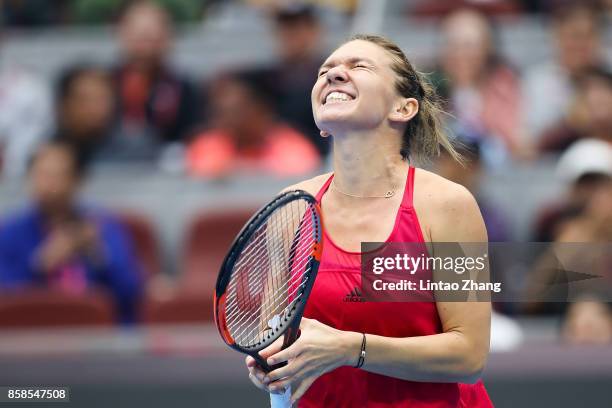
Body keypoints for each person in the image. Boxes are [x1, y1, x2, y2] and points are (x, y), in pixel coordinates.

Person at [245, 35, 492, 406]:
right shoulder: (289, 208)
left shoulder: (447, 205)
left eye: (358, 66)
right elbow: (276, 344)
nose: (333, 75)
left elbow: (470, 355)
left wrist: (350, 349)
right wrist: (270, 367)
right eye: (324, 71)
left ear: (403, 108)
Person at [0, 141, 143, 323]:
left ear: (77, 180)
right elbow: (5, 296)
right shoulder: (10, 232)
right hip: (31, 335)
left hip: (96, 335)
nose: (49, 184)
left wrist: (98, 253)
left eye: (59, 175)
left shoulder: (102, 226)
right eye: (42, 174)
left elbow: (131, 292)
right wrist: (41, 263)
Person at [109, 0, 201, 161]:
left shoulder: (186, 90)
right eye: (140, 33)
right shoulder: (102, 86)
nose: (148, 40)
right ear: (121, 32)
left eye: (155, 31)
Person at [431, 8, 526, 160]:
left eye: (469, 45)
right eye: (453, 45)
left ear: (488, 47)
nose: (461, 53)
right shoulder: (427, 91)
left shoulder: (507, 89)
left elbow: (519, 146)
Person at [186, 73, 320, 178]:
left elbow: (299, 172)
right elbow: (202, 173)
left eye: (236, 111)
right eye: (221, 112)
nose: (227, 119)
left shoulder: (291, 144)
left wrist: (237, 170)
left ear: (260, 110)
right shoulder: (207, 144)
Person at [523, 3, 610, 139]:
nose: (581, 45)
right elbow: (529, 142)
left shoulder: (609, 67)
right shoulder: (540, 81)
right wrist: (572, 120)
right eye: (574, 36)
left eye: (588, 35)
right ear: (556, 37)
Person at [53, 65, 116, 166]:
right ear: (64, 104)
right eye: (85, 99)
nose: (94, 108)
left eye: (101, 99)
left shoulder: (134, 155)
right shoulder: (45, 155)